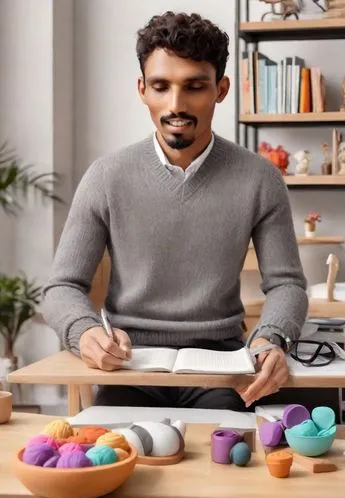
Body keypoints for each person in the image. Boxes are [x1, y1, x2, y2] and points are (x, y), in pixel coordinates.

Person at [42, 11, 309, 412]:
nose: (175, 105)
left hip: (221, 367)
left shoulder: (260, 179)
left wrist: (272, 337)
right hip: (128, 367)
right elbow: (61, 287)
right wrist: (84, 332)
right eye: (161, 86)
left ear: (221, 89)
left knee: (226, 457)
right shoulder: (105, 177)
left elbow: (287, 284)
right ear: (142, 89)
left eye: (195, 87)